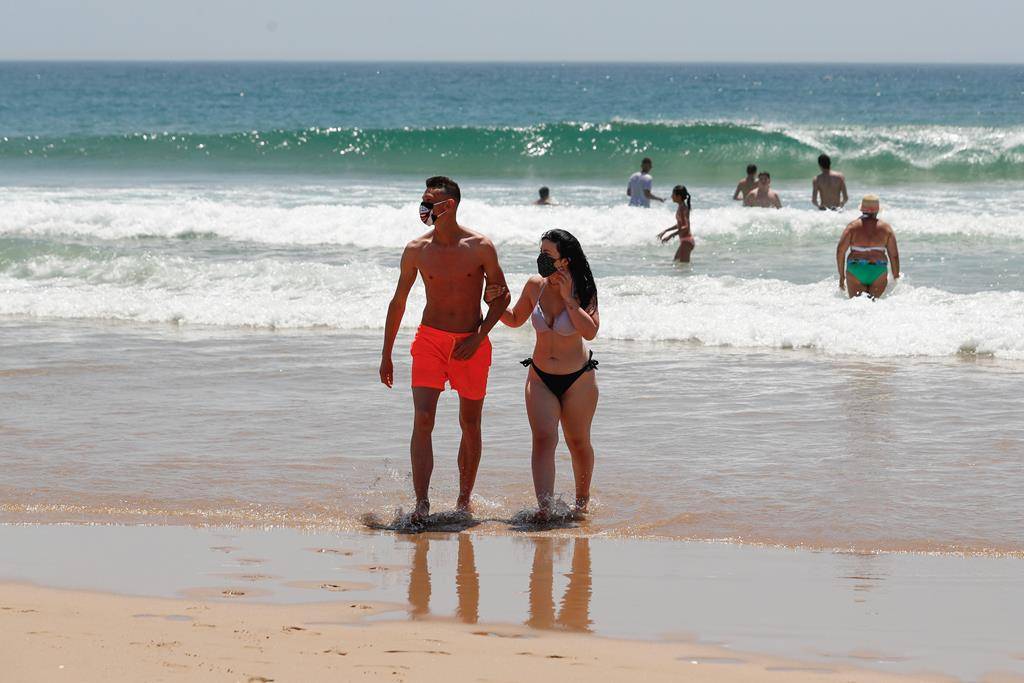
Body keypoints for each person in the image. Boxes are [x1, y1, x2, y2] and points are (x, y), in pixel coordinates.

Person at [379, 176, 511, 524]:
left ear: (448, 205)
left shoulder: (480, 247)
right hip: (430, 342)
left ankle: (463, 501)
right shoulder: (416, 249)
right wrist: (386, 353)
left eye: (428, 201)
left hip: (471, 343)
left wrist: (479, 337)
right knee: (423, 419)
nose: (423, 207)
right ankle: (422, 504)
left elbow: (502, 297)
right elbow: (398, 302)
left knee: (470, 422)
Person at [485, 230, 599, 522]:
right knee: (544, 439)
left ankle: (582, 503)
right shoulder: (535, 285)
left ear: (565, 260)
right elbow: (514, 319)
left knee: (578, 442)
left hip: (578, 379)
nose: (541, 259)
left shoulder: (584, 287)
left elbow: (590, 332)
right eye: (540, 252)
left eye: (547, 254)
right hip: (540, 377)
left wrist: (568, 299)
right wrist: (494, 304)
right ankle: (545, 508)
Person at [836, 195, 901, 299]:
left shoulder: (852, 227)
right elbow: (894, 255)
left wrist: (841, 276)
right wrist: (895, 277)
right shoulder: (886, 228)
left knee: (857, 305)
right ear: (877, 210)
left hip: (856, 268)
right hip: (878, 269)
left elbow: (840, 251)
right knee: (874, 305)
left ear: (862, 209)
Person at [657, 185, 694, 262]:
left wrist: (670, 235)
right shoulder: (681, 207)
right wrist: (666, 230)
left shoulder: (683, 208)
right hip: (685, 241)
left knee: (682, 266)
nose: (671, 196)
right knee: (678, 264)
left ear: (679, 196)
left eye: (673, 194)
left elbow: (686, 227)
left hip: (687, 241)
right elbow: (680, 225)